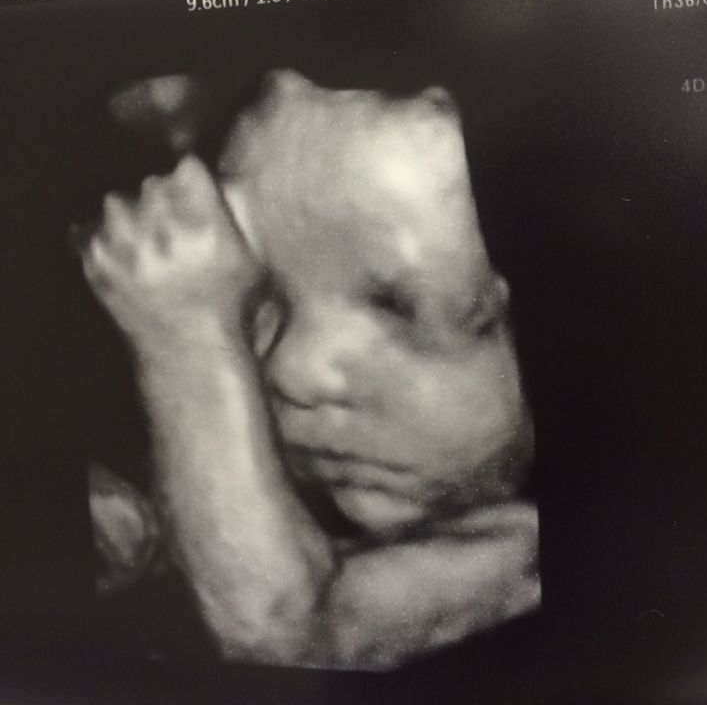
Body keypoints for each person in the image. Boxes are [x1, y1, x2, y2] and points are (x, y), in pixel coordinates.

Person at [83, 68, 539, 670]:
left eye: (402, 309)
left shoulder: (530, 544)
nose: (293, 371)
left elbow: (288, 631)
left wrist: (185, 337)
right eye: (259, 297)